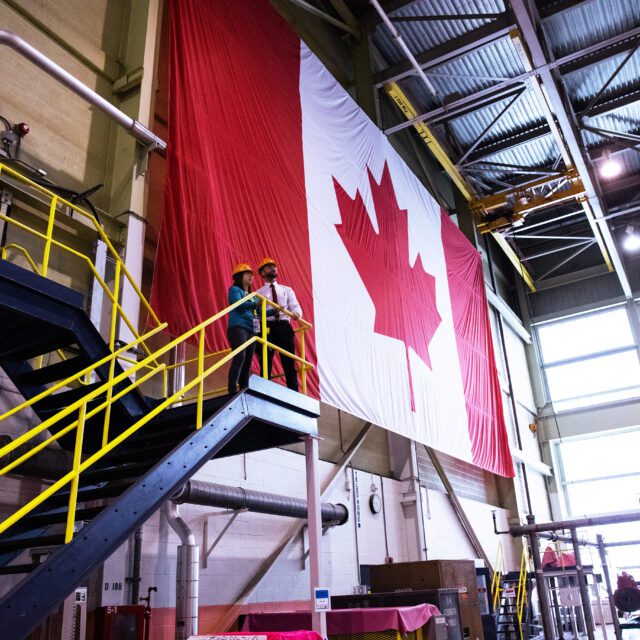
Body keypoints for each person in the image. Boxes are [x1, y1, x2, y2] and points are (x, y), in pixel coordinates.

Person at [256, 257, 302, 391]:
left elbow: (295, 306)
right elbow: (256, 314)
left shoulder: (286, 290)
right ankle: (263, 391)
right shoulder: (258, 293)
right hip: (267, 328)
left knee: (289, 362)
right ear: (262, 273)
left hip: (284, 327)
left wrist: (297, 314)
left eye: (274, 266)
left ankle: (294, 393)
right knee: (265, 362)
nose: (273, 268)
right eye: (269, 267)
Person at [227, 263, 258, 394]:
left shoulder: (254, 296)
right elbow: (238, 305)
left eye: (252, 275)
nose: (251, 276)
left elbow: (259, 313)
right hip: (238, 327)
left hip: (251, 330)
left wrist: (275, 312)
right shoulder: (235, 290)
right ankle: (232, 389)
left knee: (248, 361)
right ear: (240, 276)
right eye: (248, 273)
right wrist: (256, 304)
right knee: (240, 356)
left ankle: (244, 388)